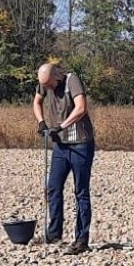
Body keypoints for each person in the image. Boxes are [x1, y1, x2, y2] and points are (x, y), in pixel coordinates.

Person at [33, 63, 95, 255]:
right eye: (45, 85)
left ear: (57, 77)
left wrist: (61, 126)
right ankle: (54, 233)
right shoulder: (45, 82)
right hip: (60, 145)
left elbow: (81, 108)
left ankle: (81, 239)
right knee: (53, 187)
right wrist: (42, 122)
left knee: (80, 192)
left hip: (80, 143)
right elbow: (36, 102)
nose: (48, 88)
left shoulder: (71, 80)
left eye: (50, 85)